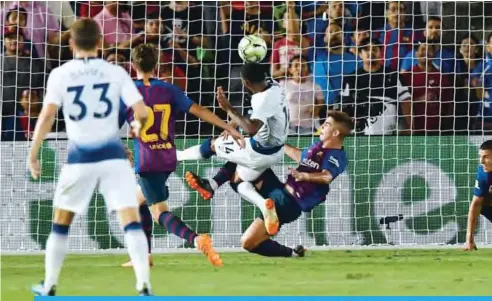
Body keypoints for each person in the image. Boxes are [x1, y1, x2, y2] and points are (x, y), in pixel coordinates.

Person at [28, 19, 151, 296]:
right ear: (100, 43)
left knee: (61, 222)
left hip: (80, 157)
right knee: (131, 219)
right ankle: (143, 284)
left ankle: (49, 285)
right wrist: (138, 126)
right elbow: (141, 111)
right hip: (113, 157)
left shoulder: (60, 74)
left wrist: (33, 152)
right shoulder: (116, 72)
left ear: (71, 44)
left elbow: (47, 115)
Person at [118, 44, 244, 268]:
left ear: (133, 65)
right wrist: (229, 127)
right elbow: (199, 110)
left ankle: (196, 240)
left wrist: (122, 147)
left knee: (159, 212)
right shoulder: (169, 90)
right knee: (137, 200)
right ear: (156, 64)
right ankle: (144, 256)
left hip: (147, 161)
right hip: (167, 157)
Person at [177, 62, 289, 236]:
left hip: (258, 152)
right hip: (277, 151)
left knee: (215, 145)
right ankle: (264, 206)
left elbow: (252, 128)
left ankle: (176, 156)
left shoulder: (261, 99)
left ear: (246, 83)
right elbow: (254, 115)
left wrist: (228, 108)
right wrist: (232, 124)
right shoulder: (275, 86)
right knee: (237, 181)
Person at [239, 111, 350, 257]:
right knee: (243, 166)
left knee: (247, 242)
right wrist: (279, 144)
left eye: (327, 124)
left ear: (335, 132)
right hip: (279, 193)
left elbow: (326, 176)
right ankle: (214, 183)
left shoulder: (336, 155)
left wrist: (303, 175)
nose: (322, 126)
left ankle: (288, 249)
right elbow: (300, 157)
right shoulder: (318, 146)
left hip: (288, 203)